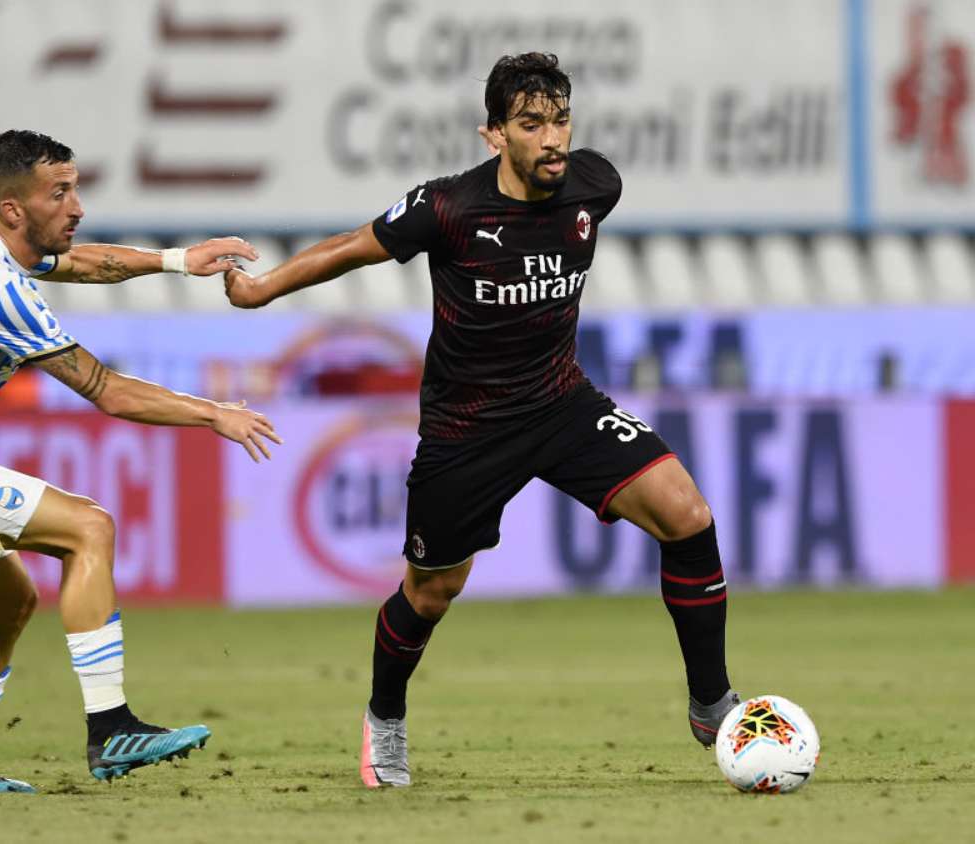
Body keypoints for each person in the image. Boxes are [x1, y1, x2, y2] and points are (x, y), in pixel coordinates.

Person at [223, 53, 738, 788]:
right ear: (493, 133)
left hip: (563, 404)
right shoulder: (449, 208)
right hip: (467, 430)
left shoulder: (597, 185)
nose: (553, 138)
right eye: (532, 124)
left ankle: (711, 702)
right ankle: (385, 719)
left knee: (687, 515)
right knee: (431, 593)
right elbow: (353, 246)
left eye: (561, 120)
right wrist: (265, 286)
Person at [0, 129, 281, 793]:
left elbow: (85, 264)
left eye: (75, 188)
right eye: (60, 193)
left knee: (10, 602)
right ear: (15, 210)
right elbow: (107, 391)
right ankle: (111, 727)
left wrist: (182, 260)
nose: (77, 206)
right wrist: (215, 413)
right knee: (88, 527)